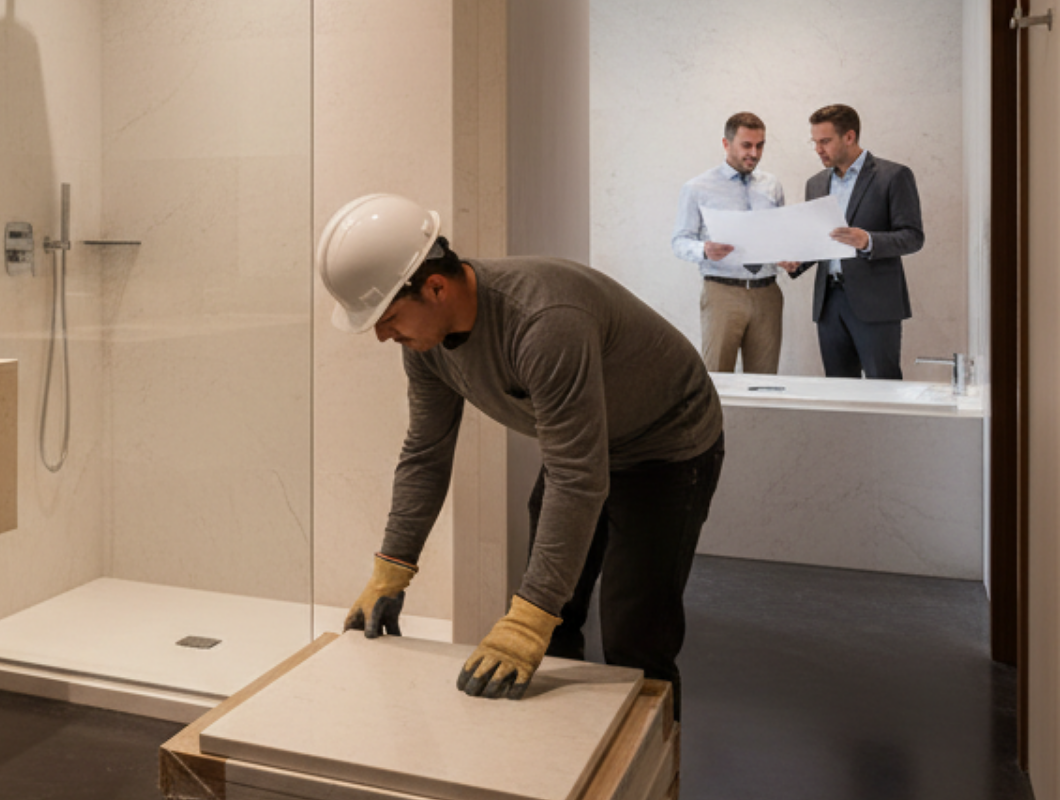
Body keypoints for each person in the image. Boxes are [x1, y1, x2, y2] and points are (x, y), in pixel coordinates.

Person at [323, 194, 723, 718]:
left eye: (388, 316)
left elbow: (577, 478)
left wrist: (527, 619)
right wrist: (391, 570)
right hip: (584, 444)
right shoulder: (425, 346)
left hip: (666, 446)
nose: (381, 335)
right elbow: (425, 453)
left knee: (633, 637)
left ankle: (652, 776)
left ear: (435, 287)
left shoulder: (543, 320)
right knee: (554, 621)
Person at [785, 104, 924, 379]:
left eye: (825, 141)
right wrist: (797, 262)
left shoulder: (893, 176)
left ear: (849, 137)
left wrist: (868, 240)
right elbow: (820, 240)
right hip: (829, 304)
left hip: (876, 302)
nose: (818, 149)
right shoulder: (815, 184)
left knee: (883, 387)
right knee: (838, 391)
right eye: (815, 142)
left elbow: (913, 237)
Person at [670, 112, 788, 374]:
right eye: (746, 145)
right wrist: (704, 250)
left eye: (760, 145)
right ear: (726, 144)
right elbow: (679, 241)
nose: (754, 153)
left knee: (764, 382)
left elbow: (779, 236)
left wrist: (787, 256)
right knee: (717, 378)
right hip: (722, 292)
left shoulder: (772, 186)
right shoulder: (697, 188)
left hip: (768, 293)